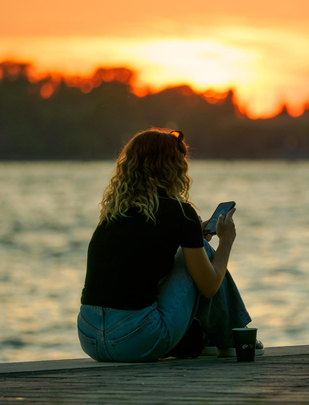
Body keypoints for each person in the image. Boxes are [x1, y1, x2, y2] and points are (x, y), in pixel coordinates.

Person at [77, 127, 263, 362]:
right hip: (133, 338)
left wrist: (193, 235)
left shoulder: (114, 213)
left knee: (192, 251)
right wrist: (226, 241)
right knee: (203, 252)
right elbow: (209, 287)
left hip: (89, 337)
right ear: (173, 168)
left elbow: (144, 255)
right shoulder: (179, 213)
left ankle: (202, 339)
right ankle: (231, 340)